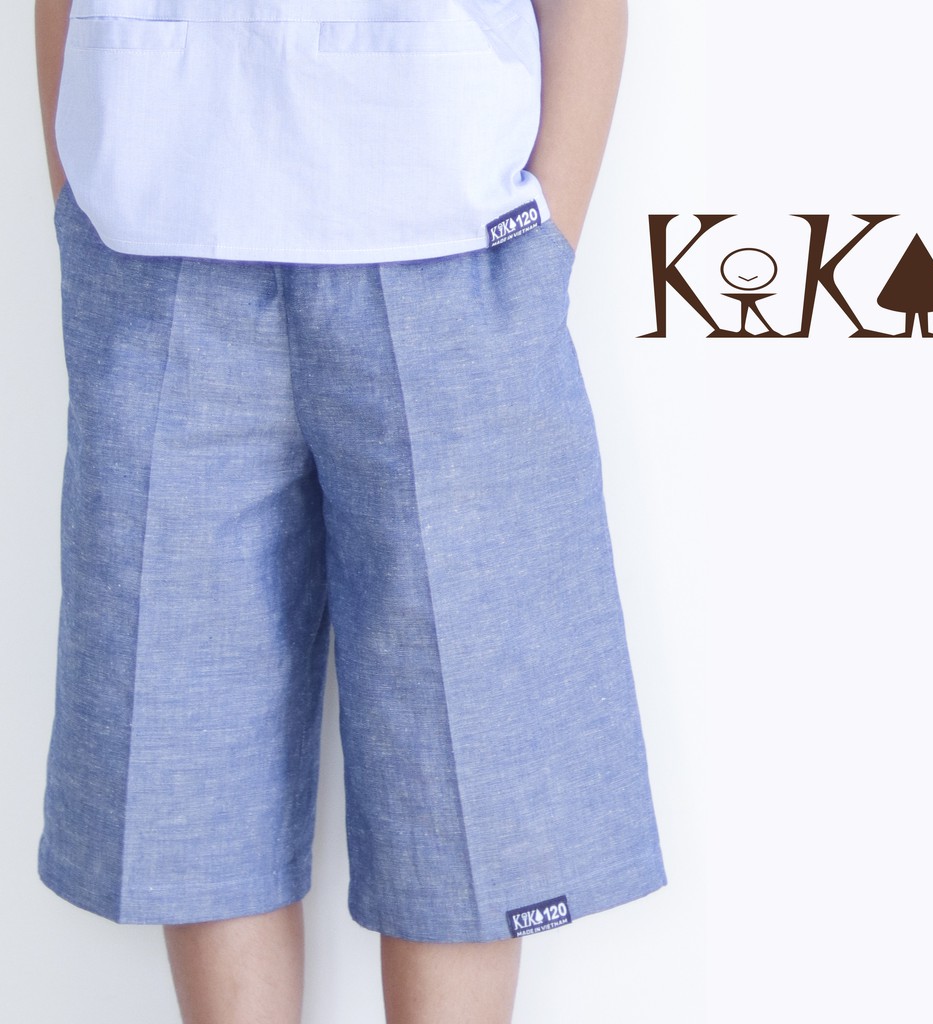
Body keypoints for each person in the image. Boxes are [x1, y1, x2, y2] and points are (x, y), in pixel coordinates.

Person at [34, 1, 667, 1021]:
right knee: (187, 773)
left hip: (447, 232)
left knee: (465, 767)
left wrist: (544, 242)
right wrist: (80, 201)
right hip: (156, 225)